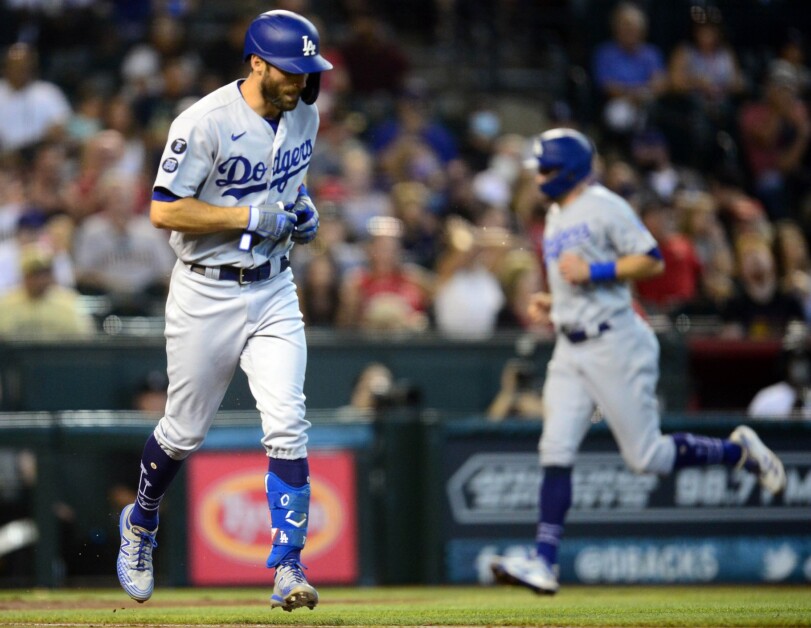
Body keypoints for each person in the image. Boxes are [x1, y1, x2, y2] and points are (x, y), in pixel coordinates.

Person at [488, 128, 787, 595]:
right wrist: (555, 301)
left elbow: (650, 260)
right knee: (555, 448)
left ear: (566, 167)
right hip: (571, 346)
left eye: (545, 168)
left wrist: (595, 272)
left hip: (617, 343)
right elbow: (576, 281)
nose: (539, 176)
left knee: (648, 457)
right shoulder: (554, 214)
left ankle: (738, 452)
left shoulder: (606, 205)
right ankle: (544, 561)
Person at [114, 10, 332, 613]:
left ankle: (287, 566)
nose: (302, 81)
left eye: (307, 70)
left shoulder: (305, 113)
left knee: (287, 421)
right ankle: (142, 520)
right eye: (292, 70)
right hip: (205, 290)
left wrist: (302, 211)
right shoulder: (205, 121)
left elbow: (286, 189)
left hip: (273, 287)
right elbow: (164, 210)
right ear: (257, 62)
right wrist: (245, 217)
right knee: (183, 433)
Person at [748, 321, 811, 419]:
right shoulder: (766, 399)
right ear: (785, 364)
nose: (800, 368)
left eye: (803, 361)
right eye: (794, 361)